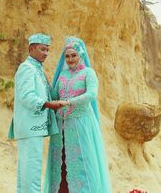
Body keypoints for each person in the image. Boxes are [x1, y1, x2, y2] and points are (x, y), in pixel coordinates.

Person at [44, 36, 112, 193]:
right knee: (61, 165)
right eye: (67, 56)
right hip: (61, 127)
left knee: (82, 164)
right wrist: (46, 82)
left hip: (81, 126)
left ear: (81, 55)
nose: (70, 59)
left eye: (73, 55)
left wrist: (68, 102)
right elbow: (54, 94)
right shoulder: (62, 75)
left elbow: (91, 95)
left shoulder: (89, 73)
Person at [8, 33, 68, 193]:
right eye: (43, 49)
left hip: (33, 127)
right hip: (29, 127)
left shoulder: (37, 70)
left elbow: (46, 93)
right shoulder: (26, 68)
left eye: (48, 50)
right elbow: (26, 96)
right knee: (31, 171)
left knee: (26, 171)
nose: (46, 53)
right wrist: (48, 104)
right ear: (31, 48)